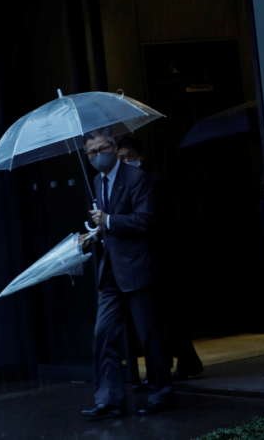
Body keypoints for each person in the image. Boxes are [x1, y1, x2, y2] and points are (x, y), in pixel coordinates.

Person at [79, 131, 173, 420]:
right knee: (103, 334)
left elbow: (144, 220)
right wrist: (95, 233)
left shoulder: (136, 178)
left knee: (148, 334)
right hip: (110, 271)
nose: (97, 156)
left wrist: (108, 220)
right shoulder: (97, 181)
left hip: (137, 268)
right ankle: (109, 398)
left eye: (101, 148)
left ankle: (161, 391)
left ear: (114, 147)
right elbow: (108, 225)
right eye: (91, 152)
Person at [116, 135, 204, 383]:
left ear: (138, 157)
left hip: (161, 256)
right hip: (155, 257)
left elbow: (151, 220)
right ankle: (185, 361)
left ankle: (169, 366)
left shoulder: (149, 182)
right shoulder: (139, 182)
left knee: (164, 315)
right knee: (166, 315)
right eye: (120, 158)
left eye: (126, 157)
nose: (123, 162)